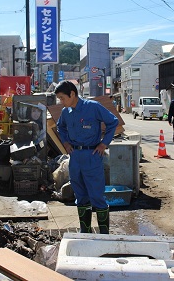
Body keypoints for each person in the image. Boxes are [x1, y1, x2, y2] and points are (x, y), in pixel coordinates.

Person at [55, 81, 119, 234]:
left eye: (62, 98)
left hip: (92, 156)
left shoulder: (93, 107)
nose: (61, 102)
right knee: (80, 195)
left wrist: (104, 144)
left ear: (72, 94)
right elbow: (60, 127)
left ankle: (104, 235)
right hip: (75, 157)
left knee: (97, 195)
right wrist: (65, 142)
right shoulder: (66, 112)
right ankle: (86, 231)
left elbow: (113, 122)